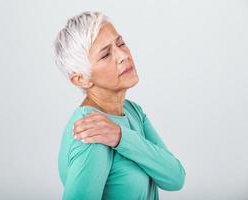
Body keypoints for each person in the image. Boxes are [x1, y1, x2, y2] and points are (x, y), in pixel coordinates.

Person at [53, 11, 186, 200]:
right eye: (106, 55)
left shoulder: (132, 112)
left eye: (121, 43)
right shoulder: (91, 131)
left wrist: (120, 137)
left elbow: (175, 178)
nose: (123, 55)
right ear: (81, 79)